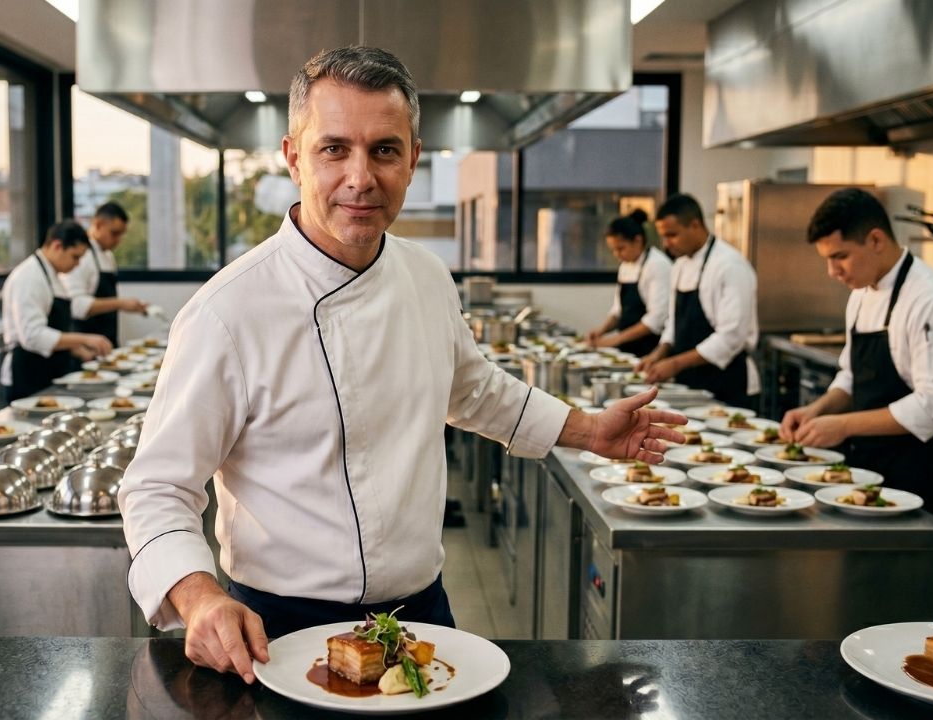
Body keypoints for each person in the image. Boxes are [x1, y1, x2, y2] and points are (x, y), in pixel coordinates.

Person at [118, 45, 685, 684]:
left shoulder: (426, 276)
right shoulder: (225, 312)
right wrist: (199, 597)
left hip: (423, 615)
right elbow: (156, 487)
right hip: (277, 629)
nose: (361, 177)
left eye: (384, 149)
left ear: (413, 159)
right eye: (334, 148)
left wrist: (589, 430)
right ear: (292, 157)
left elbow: (471, 388)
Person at [781, 187, 933, 529]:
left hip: (926, 470)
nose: (832, 271)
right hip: (873, 465)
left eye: (840, 256)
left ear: (875, 240)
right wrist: (818, 411)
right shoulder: (861, 293)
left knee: (914, 581)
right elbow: (852, 375)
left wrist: (842, 425)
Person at [637, 193, 759, 407]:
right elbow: (674, 323)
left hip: (726, 383)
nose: (666, 244)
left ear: (695, 225)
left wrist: (674, 364)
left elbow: (731, 337)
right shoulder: (680, 265)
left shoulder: (730, 266)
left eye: (672, 235)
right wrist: (658, 354)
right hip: (689, 381)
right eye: (663, 236)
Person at [0, 220, 113, 402]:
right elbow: (33, 336)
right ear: (57, 246)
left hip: (49, 371)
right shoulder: (29, 277)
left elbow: (53, 329)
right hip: (28, 375)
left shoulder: (52, 275)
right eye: (75, 257)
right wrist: (85, 339)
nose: (77, 265)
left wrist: (78, 350)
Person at [60, 201, 148, 346]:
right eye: (114, 233)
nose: (118, 240)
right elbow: (76, 307)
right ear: (98, 225)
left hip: (107, 340)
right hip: (86, 344)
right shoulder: (81, 256)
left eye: (121, 234)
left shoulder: (108, 256)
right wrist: (120, 303)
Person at [586, 209, 671, 356]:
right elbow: (618, 310)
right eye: (613, 250)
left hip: (650, 349)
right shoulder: (626, 266)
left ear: (638, 240)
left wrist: (615, 340)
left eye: (621, 249)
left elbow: (656, 319)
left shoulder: (657, 265)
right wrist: (601, 331)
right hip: (627, 349)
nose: (617, 255)